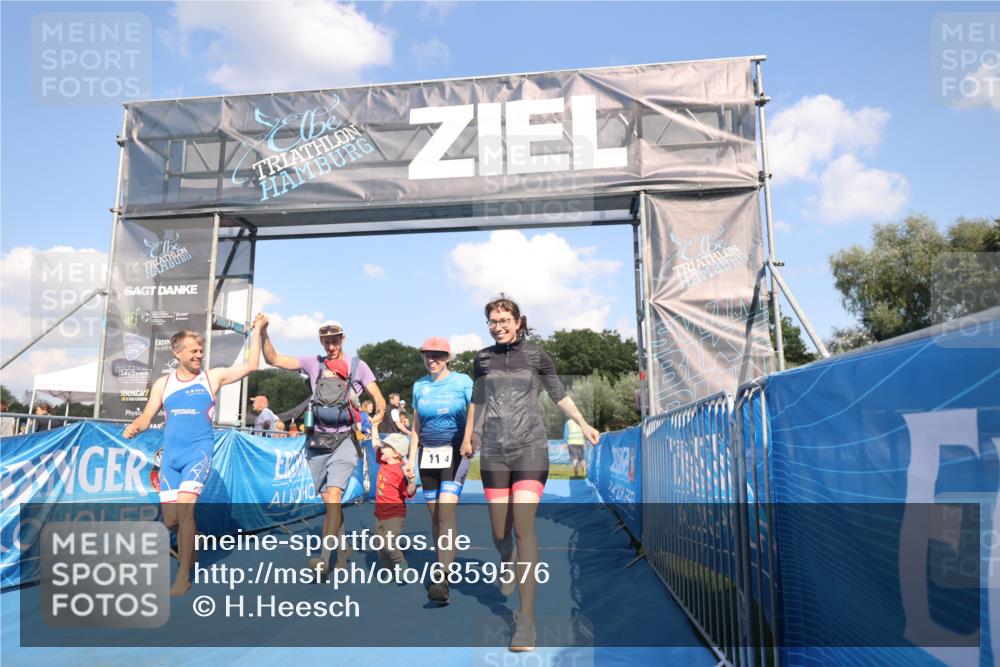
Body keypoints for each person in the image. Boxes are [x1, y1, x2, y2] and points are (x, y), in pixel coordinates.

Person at [461, 295, 599, 651]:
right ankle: (505, 558)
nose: (498, 326)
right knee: (500, 533)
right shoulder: (482, 359)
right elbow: (478, 401)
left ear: (519, 322)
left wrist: (582, 423)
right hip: (494, 453)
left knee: (524, 527)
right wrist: (469, 436)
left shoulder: (537, 356)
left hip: (530, 449)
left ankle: (525, 621)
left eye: (504, 320)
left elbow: (559, 395)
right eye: (492, 321)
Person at [124, 315, 263, 596]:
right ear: (177, 353)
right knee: (171, 520)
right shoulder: (163, 384)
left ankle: (183, 576)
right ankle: (192, 543)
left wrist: (258, 330)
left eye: (201, 351)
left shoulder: (212, 378)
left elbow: (251, 366)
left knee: (186, 511)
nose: (199, 355)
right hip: (170, 459)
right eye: (193, 351)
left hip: (198, 453)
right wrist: (135, 426)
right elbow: (147, 417)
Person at [259, 318, 386, 576]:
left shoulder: (358, 367)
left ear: (343, 339)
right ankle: (342, 546)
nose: (331, 346)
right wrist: (263, 332)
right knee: (329, 501)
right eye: (326, 342)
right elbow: (273, 359)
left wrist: (376, 416)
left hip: (345, 440)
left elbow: (379, 398)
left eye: (335, 341)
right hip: (318, 441)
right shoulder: (312, 363)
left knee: (335, 496)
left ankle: (323, 559)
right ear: (321, 342)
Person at [406, 336, 473, 604]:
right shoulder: (419, 386)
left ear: (448, 358)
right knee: (435, 516)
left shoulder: (462, 382)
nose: (432, 360)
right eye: (427, 355)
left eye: (438, 355)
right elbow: (416, 427)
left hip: (455, 452)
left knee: (445, 512)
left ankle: (443, 577)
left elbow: (475, 412)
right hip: (428, 455)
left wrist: (469, 440)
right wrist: (410, 461)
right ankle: (441, 561)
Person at [371, 416, 416, 580]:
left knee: (389, 543)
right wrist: (374, 427)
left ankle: (400, 563)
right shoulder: (384, 461)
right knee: (380, 546)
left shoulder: (401, 470)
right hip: (379, 513)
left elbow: (409, 492)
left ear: (396, 453)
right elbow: (375, 444)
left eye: (386, 447)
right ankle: (387, 572)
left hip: (394, 515)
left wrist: (411, 482)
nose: (382, 448)